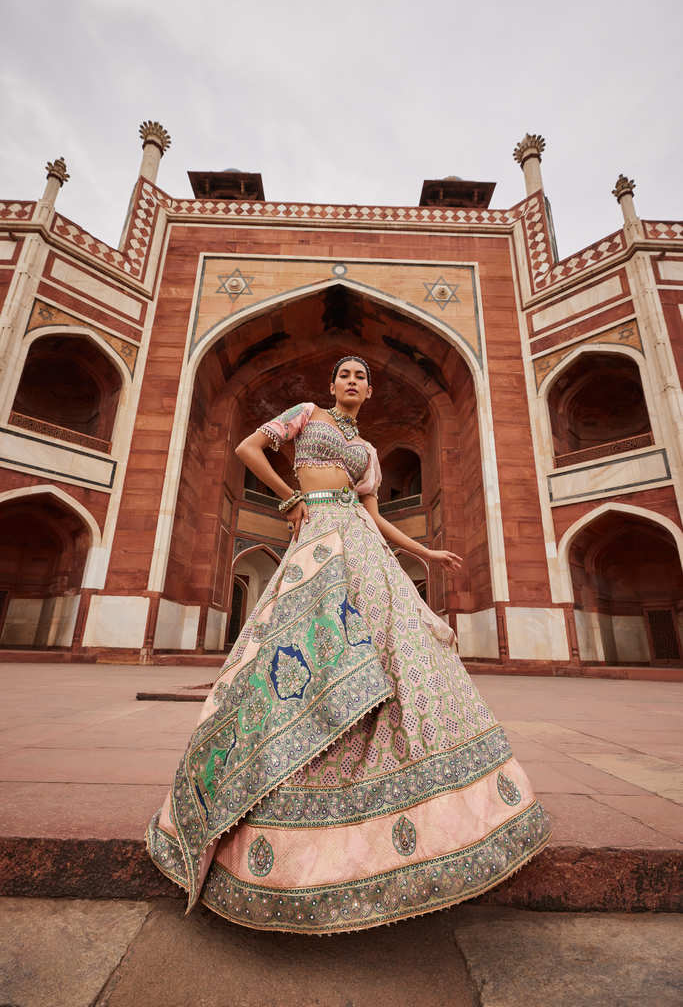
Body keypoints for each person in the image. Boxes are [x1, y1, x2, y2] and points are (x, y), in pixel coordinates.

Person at [145, 355, 552, 934]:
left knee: (393, 652)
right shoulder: (307, 414)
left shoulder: (368, 452)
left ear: (370, 389)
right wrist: (291, 498)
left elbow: (372, 513)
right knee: (300, 653)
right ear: (332, 385)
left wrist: (424, 552)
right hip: (317, 538)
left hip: (362, 545)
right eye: (345, 375)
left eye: (361, 376)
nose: (353, 381)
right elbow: (247, 449)